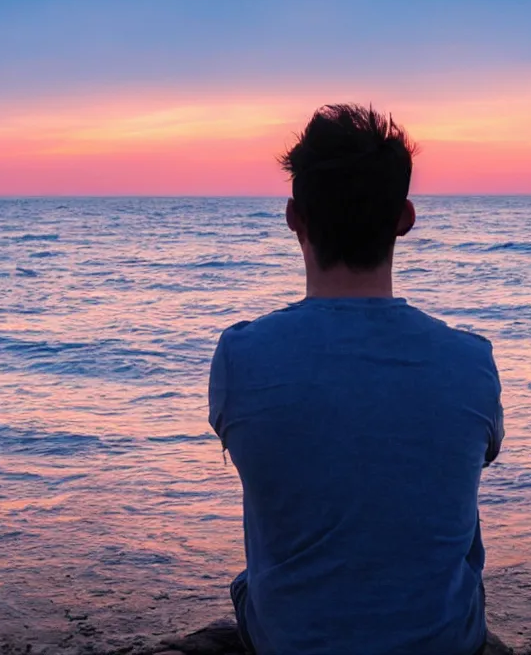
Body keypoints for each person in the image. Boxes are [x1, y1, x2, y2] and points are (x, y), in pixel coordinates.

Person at [207, 104, 504, 655]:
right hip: (446, 642)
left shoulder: (240, 354)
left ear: (294, 216)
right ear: (405, 218)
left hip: (289, 641)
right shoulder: (471, 359)